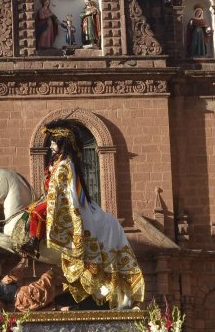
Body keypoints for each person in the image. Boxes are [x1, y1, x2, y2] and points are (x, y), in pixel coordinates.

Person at [25, 121, 144, 307]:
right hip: (56, 201)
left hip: (65, 203)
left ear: (62, 143)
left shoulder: (66, 164)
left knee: (34, 212)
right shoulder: (57, 162)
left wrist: (55, 202)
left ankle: (33, 241)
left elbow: (66, 189)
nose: (51, 145)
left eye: (54, 142)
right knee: (32, 209)